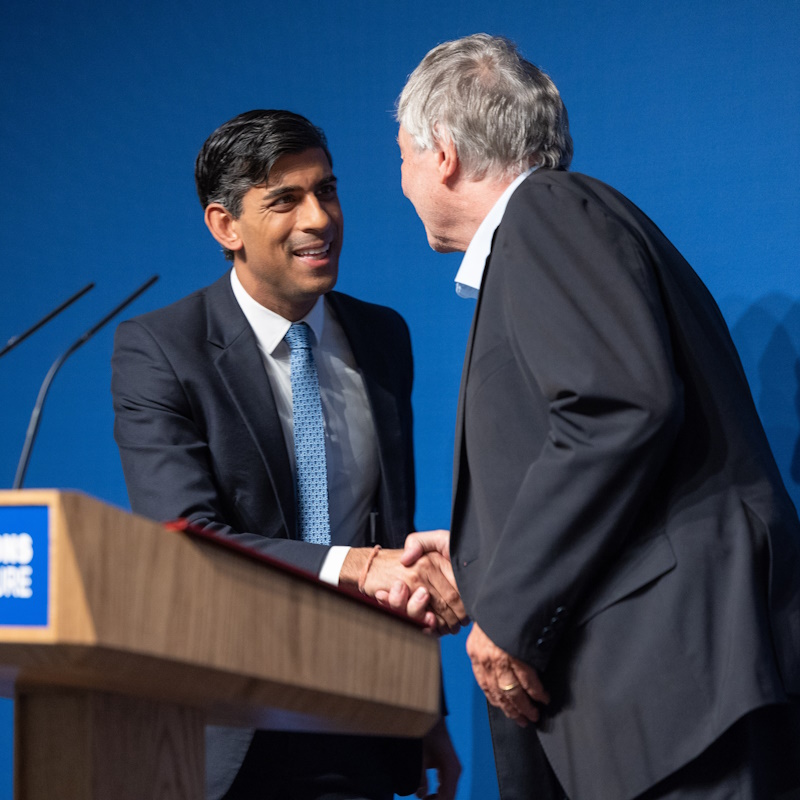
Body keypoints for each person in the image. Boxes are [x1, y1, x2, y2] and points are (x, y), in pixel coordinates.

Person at [394, 34, 800, 800]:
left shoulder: (544, 213)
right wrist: (484, 550)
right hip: (665, 699)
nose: (404, 182)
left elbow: (617, 408)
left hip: (675, 689)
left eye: (404, 156)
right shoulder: (561, 225)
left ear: (442, 153)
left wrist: (511, 610)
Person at [111, 109, 463, 800]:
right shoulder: (161, 350)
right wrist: (355, 565)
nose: (319, 219)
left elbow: (391, 530)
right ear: (226, 226)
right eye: (285, 200)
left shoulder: (382, 336)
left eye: (326, 191)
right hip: (230, 726)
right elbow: (189, 539)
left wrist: (426, 708)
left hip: (364, 713)